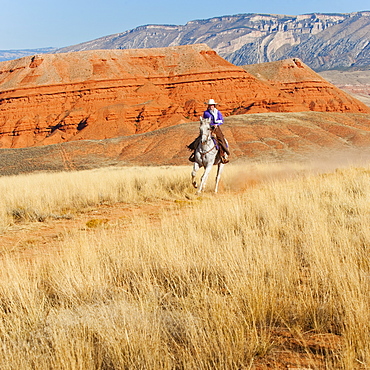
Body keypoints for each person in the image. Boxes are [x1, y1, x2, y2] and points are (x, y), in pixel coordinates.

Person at [187, 99, 230, 163]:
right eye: (210, 105)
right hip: (208, 127)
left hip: (216, 128)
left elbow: (221, 120)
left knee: (221, 139)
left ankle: (224, 154)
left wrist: (216, 124)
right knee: (200, 138)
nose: (211, 106)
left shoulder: (217, 112)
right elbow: (204, 120)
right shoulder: (206, 112)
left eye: (212, 105)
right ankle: (194, 153)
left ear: (214, 105)